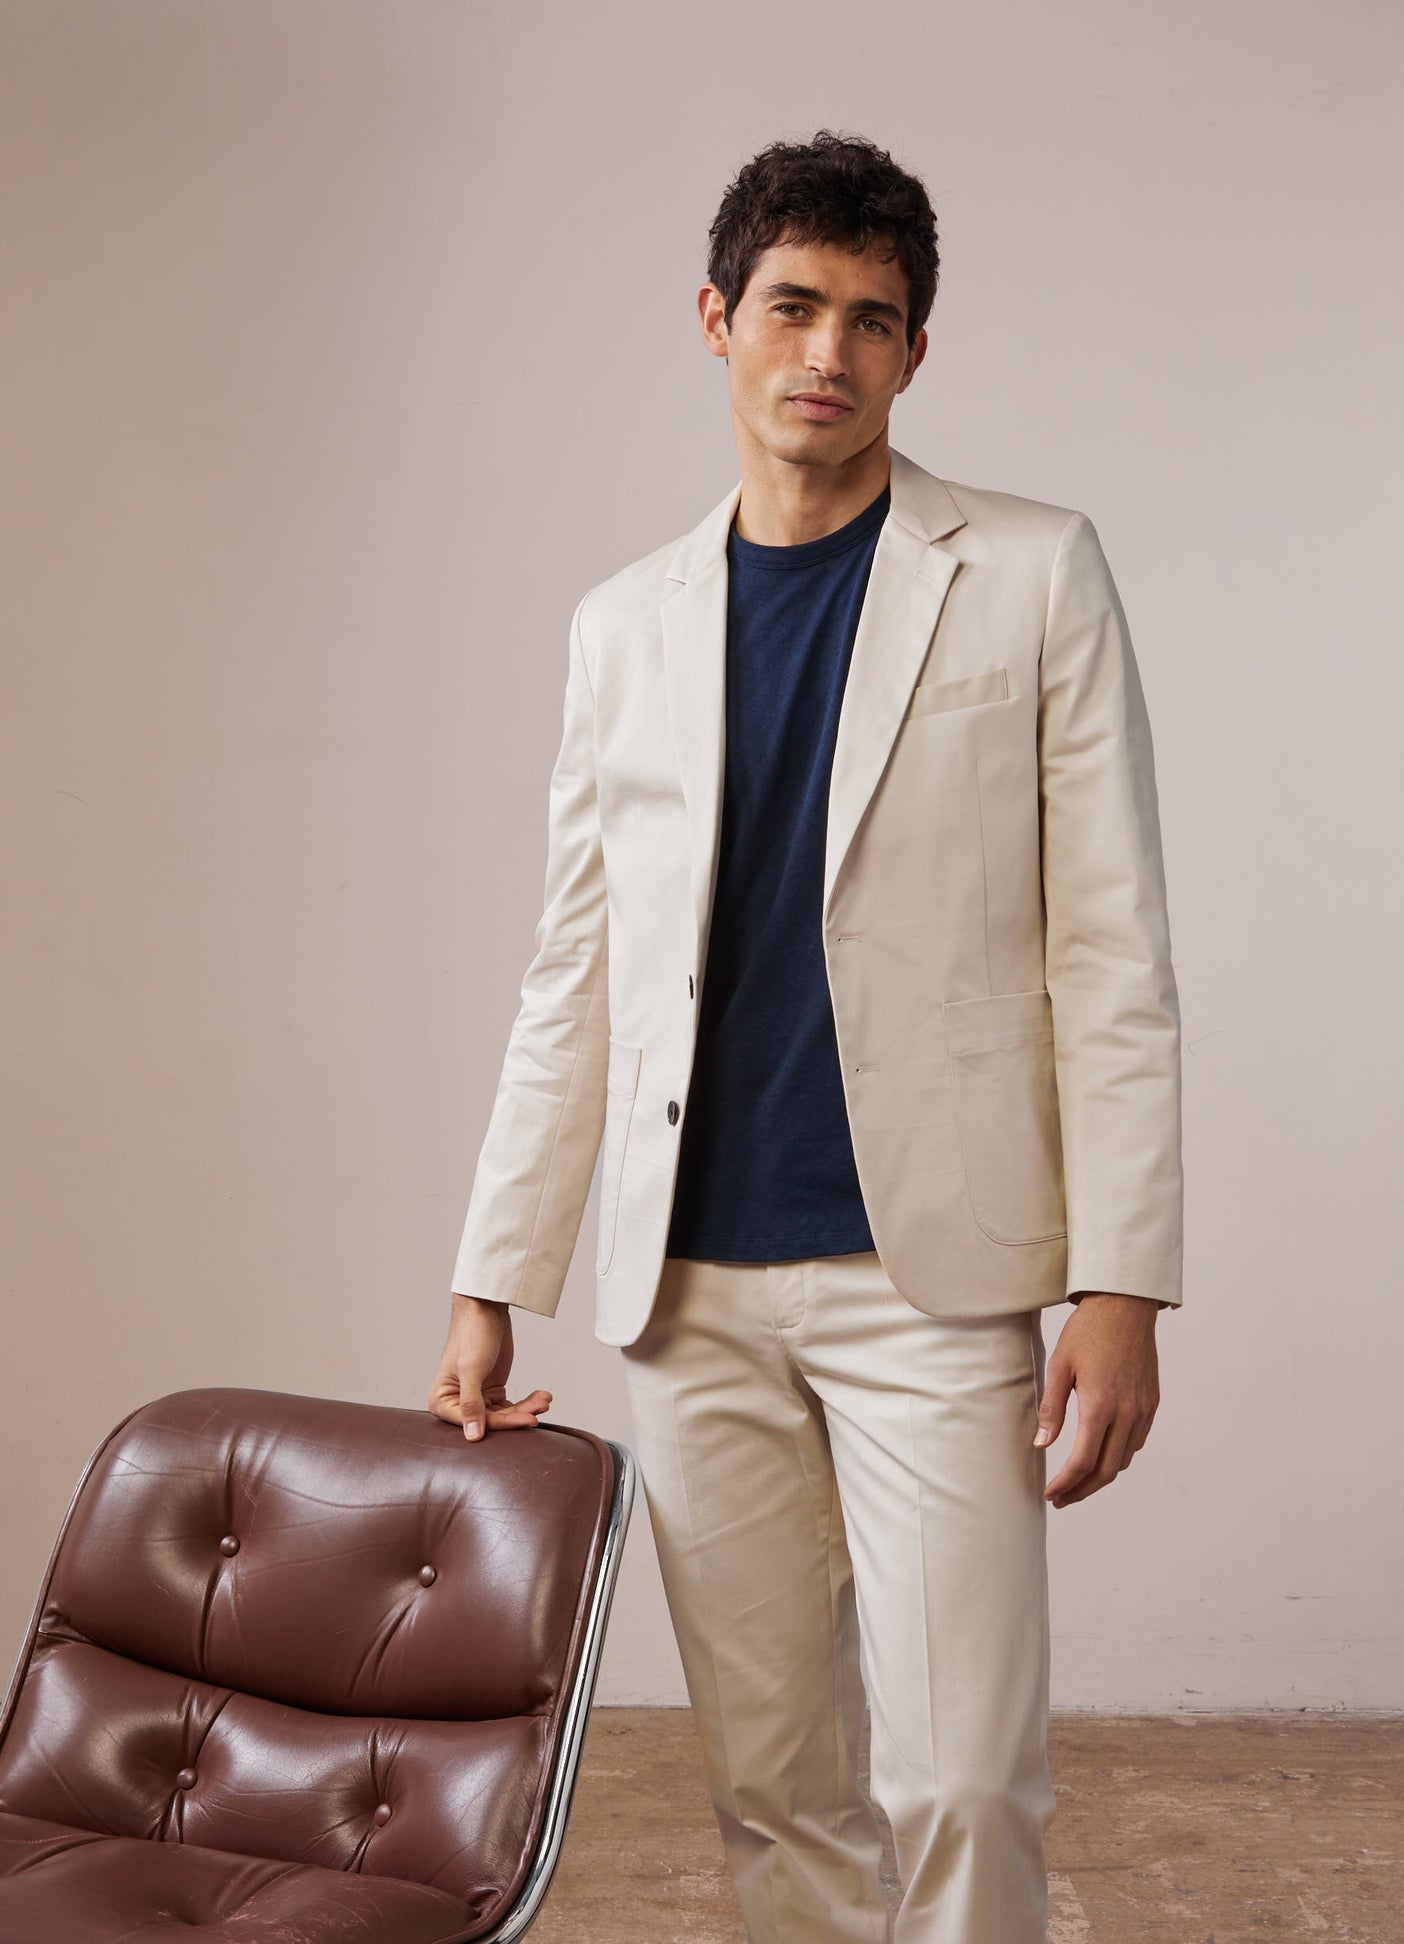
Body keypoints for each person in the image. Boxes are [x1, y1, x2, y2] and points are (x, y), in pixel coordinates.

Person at [429, 128, 1182, 1944]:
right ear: (716, 319)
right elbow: (575, 969)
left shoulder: (1031, 572)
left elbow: (1112, 951)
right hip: (684, 1285)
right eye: (791, 306)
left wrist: (1123, 1284)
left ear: (915, 350)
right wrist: (491, 1275)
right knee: (775, 1790)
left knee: (963, 1779)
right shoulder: (624, 627)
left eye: (871, 318)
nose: (827, 351)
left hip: (928, 1273)